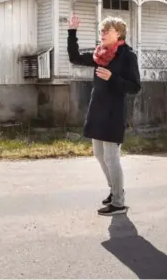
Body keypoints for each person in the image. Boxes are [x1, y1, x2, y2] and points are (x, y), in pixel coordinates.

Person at [67, 13, 141, 216]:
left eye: (106, 30)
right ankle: (115, 190)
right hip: (97, 110)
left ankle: (118, 203)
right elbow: (74, 57)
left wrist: (112, 77)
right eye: (101, 30)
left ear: (118, 33)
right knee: (99, 155)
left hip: (113, 112)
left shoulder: (127, 56)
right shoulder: (100, 54)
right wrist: (72, 31)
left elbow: (135, 87)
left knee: (111, 157)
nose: (103, 33)